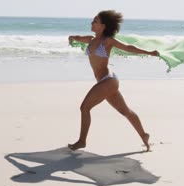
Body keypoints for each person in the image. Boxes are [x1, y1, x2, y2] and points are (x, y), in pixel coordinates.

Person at [68, 10, 159, 152]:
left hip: (108, 81)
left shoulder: (107, 41)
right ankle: (144, 135)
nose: (92, 23)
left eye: (95, 21)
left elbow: (128, 48)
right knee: (125, 111)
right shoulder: (91, 40)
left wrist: (149, 53)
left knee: (84, 107)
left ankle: (82, 141)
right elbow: (79, 38)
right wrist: (72, 37)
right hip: (105, 82)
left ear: (103, 25)